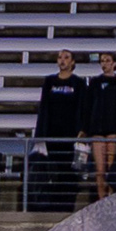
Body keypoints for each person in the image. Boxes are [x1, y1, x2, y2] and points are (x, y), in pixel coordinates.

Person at [32, 50, 86, 211]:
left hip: (70, 135)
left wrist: (82, 129)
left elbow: (82, 107)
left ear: (73, 62)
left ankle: (67, 206)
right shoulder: (49, 81)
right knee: (52, 170)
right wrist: (40, 134)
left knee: (68, 172)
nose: (62, 60)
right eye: (60, 57)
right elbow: (44, 108)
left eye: (66, 58)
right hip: (52, 134)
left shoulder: (78, 83)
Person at [85, 51, 116, 195]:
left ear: (114, 63)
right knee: (100, 170)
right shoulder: (95, 82)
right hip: (97, 130)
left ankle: (111, 198)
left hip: (113, 130)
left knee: (112, 170)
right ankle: (101, 199)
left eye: (107, 60)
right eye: (102, 61)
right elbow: (88, 106)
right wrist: (86, 128)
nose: (104, 63)